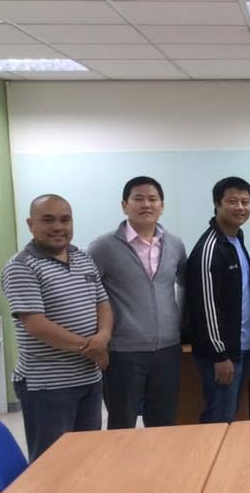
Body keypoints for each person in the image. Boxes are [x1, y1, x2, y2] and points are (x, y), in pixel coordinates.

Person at [2, 195, 113, 461]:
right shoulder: (21, 266)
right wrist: (91, 348)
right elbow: (36, 325)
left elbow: (103, 304)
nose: (58, 227)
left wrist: (103, 336)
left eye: (65, 220)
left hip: (88, 378)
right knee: (52, 462)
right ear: (30, 223)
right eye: (48, 220)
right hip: (47, 386)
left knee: (87, 457)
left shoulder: (83, 258)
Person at [89, 176, 187, 429]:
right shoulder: (103, 247)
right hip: (122, 352)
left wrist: (179, 324)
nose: (146, 204)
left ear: (162, 206)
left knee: (163, 422)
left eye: (153, 199)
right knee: (122, 424)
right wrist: (100, 338)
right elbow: (89, 294)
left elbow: (185, 284)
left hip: (168, 349)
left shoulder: (175, 244)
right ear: (125, 205)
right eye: (138, 199)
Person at [185, 176, 250, 423]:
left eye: (245, 202)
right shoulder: (210, 248)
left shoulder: (236, 240)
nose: (240, 207)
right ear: (217, 204)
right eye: (232, 201)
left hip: (241, 345)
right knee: (219, 417)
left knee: (230, 414)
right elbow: (206, 307)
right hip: (223, 353)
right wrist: (220, 355)